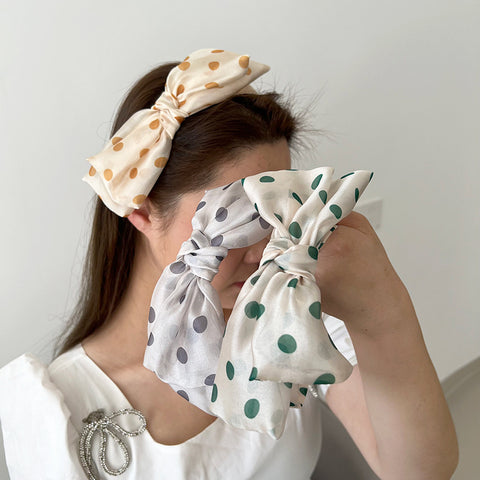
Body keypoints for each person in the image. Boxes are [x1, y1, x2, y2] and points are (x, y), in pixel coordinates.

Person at [0, 49, 458, 480]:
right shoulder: (57, 407)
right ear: (140, 211)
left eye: (280, 213)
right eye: (234, 221)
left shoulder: (286, 312)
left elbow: (419, 470)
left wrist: (383, 309)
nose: (264, 251)